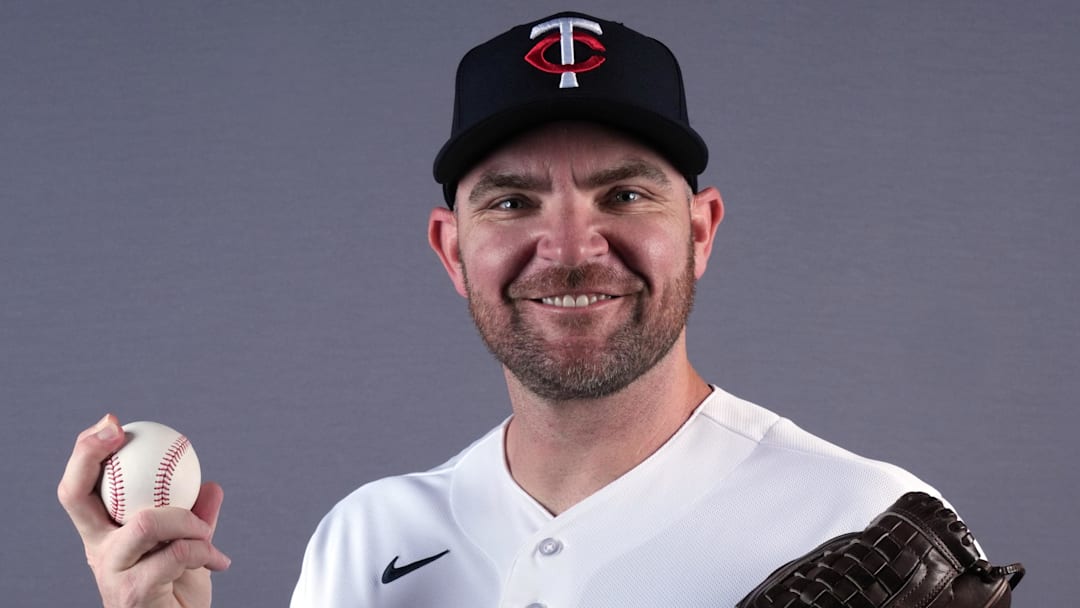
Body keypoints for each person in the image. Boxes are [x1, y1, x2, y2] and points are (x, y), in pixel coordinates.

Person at [58, 11, 944, 607]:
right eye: (513, 202)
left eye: (626, 195)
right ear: (451, 248)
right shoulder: (368, 540)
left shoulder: (863, 521)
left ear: (702, 230)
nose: (567, 247)